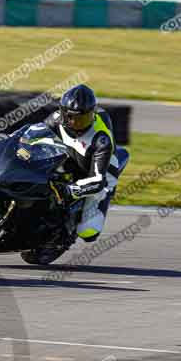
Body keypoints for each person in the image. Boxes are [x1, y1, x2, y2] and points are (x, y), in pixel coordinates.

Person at [45, 84, 120, 242]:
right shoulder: (56, 119)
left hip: (98, 171)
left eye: (84, 118)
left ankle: (101, 202)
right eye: (72, 118)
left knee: (88, 232)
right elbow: (35, 132)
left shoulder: (101, 140)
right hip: (70, 157)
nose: (78, 124)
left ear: (92, 114)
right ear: (63, 113)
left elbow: (97, 181)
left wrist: (68, 190)